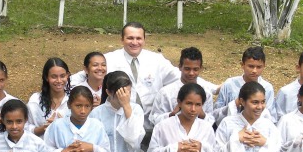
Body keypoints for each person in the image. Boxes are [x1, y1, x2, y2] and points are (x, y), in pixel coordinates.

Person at [71, 22, 218, 129]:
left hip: (151, 123)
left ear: (144, 40)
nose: (135, 42)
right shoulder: (109, 59)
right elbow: (82, 75)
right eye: (130, 38)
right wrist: (88, 96)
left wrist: (215, 88)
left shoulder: (156, 60)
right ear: (122, 39)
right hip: (122, 120)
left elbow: (186, 76)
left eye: (138, 38)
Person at [147, 83, 215, 152]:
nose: (193, 109)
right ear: (179, 102)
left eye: (198, 105)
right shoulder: (163, 126)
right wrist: (172, 150)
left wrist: (202, 149)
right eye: (189, 103)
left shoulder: (206, 128)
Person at [215, 82, 281, 152]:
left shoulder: (269, 126)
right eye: (255, 102)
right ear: (242, 101)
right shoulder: (228, 123)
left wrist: (265, 143)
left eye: (263, 102)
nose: (260, 107)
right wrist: (236, 139)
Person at [44, 86, 111, 152]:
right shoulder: (57, 126)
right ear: (69, 105)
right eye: (78, 106)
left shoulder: (97, 126)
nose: (83, 111)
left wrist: (91, 148)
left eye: (87, 106)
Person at [150, 47, 215, 126]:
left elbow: (211, 121)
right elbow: (154, 119)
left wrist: (202, 114)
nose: (191, 73)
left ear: (201, 69)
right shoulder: (166, 92)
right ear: (180, 67)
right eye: (187, 69)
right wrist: (172, 114)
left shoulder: (206, 93)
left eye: (195, 69)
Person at [214, 46, 276, 125]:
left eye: (259, 67)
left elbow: (271, 117)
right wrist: (234, 104)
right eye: (251, 66)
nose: (254, 71)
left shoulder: (267, 88)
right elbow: (215, 114)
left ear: (264, 66)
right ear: (242, 65)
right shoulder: (230, 85)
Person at [90, 71, 145, 152]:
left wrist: (126, 106)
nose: (125, 97)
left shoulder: (136, 109)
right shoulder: (96, 113)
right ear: (109, 92)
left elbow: (134, 140)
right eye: (121, 94)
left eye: (128, 93)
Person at [27, 57, 71, 137]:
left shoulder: (74, 99)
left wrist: (68, 126)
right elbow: (26, 128)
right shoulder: (35, 101)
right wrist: (43, 128)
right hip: (40, 147)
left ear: (67, 75)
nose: (59, 80)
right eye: (54, 77)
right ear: (46, 77)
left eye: (62, 76)